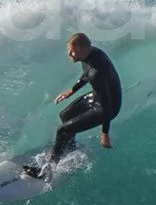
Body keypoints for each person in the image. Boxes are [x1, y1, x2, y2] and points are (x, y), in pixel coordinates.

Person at [28, 33, 121, 176]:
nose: (69, 54)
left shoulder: (96, 72)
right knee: (65, 115)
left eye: (72, 51)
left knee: (62, 130)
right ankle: (70, 148)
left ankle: (48, 170)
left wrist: (105, 133)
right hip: (98, 97)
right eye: (68, 50)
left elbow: (106, 104)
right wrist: (71, 91)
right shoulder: (91, 54)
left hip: (107, 107)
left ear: (84, 49)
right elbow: (86, 74)